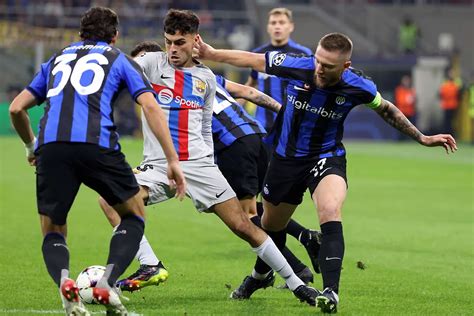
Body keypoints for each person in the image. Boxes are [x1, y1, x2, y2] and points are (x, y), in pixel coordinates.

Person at [194, 32, 457, 313]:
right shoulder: (300, 65)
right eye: (318, 61)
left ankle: (331, 292)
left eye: (328, 66)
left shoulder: (359, 85)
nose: (319, 68)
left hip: (326, 155)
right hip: (285, 159)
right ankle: (261, 275)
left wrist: (422, 137)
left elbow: (387, 109)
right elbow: (254, 60)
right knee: (271, 226)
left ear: (345, 66)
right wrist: (211, 53)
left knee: (330, 210)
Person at [98, 9, 320, 307]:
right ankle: (150, 263)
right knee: (109, 198)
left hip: (202, 165)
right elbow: (117, 68)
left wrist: (209, 169)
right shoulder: (150, 63)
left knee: (245, 225)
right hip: (160, 166)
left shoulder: (206, 78)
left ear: (195, 40)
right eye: (168, 42)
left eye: (180, 42)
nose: (173, 50)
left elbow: (204, 127)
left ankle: (296, 284)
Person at [8, 7, 186, 316]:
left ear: (80, 34)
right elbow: (151, 106)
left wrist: (30, 147)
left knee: (53, 230)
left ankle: (65, 282)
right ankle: (107, 281)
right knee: (133, 215)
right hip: (97, 145)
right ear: (115, 36)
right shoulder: (119, 59)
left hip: (51, 146)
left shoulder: (56, 59)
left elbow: (16, 109)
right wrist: (172, 159)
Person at [246, 7, 321, 276]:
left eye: (281, 22)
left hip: (289, 138)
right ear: (268, 27)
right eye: (273, 22)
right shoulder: (259, 55)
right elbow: (249, 87)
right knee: (258, 200)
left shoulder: (303, 56)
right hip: (261, 135)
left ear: (291, 26)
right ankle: (299, 244)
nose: (277, 26)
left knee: (259, 201)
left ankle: (279, 268)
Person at [439, 69, 461, 136]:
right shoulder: (444, 83)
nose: (451, 74)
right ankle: (447, 134)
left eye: (452, 73)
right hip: (446, 106)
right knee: (447, 122)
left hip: (454, 105)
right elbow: (440, 94)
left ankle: (453, 135)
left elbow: (459, 94)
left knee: (453, 122)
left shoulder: (457, 82)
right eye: (450, 73)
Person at [394, 75, 416, 140]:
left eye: (407, 81)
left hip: (409, 112)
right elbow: (398, 101)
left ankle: (408, 140)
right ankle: (400, 139)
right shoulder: (399, 90)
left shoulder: (411, 90)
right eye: (405, 81)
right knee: (400, 127)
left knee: (409, 128)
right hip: (401, 112)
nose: (406, 82)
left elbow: (414, 101)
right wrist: (406, 102)